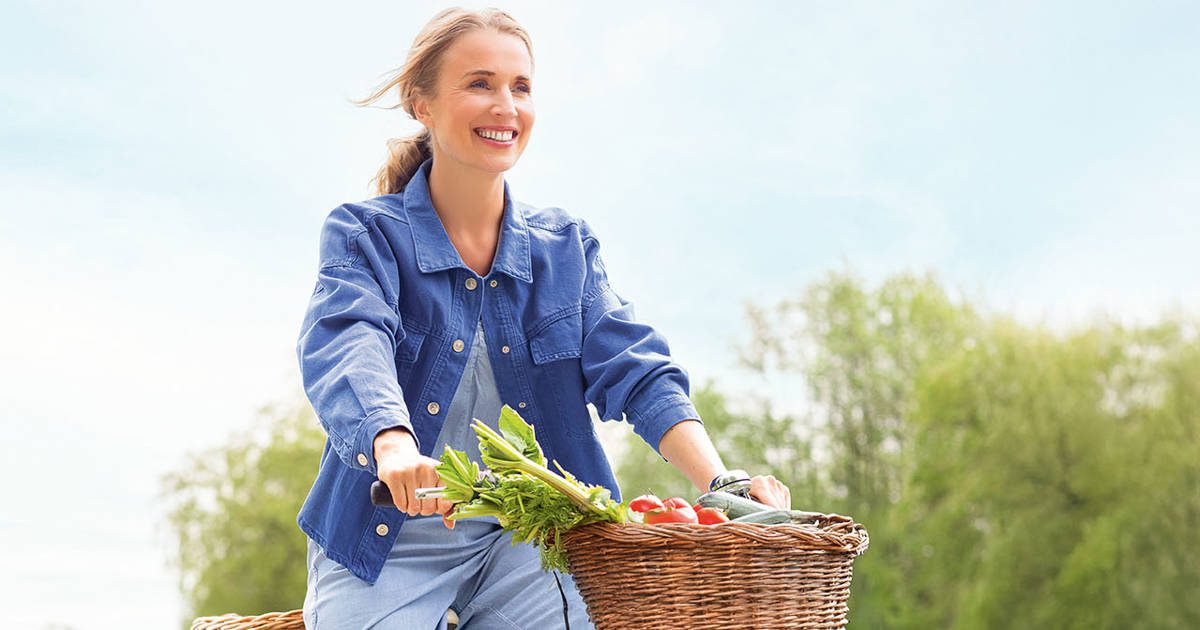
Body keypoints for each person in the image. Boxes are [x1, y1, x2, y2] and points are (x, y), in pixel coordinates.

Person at [295, 7, 792, 629]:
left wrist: (721, 481)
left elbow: (636, 369)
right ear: (420, 104)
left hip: (531, 539)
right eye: (480, 83)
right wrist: (392, 445)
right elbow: (348, 340)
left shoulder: (565, 249)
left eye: (520, 87)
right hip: (386, 536)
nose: (506, 105)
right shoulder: (365, 234)